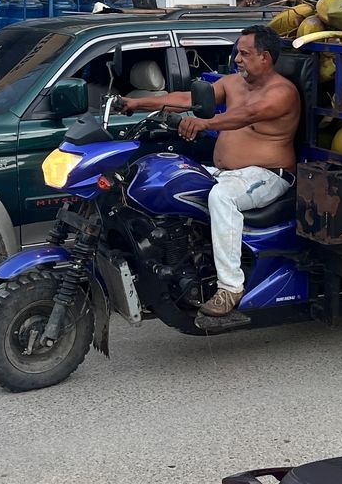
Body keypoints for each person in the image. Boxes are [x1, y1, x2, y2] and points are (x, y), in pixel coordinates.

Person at [119, 25, 300, 317]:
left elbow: (247, 115)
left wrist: (206, 123)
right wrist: (137, 103)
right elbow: (186, 99)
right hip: (227, 172)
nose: (237, 59)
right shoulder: (233, 83)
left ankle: (230, 287)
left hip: (267, 175)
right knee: (167, 179)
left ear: (265, 57)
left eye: (244, 53)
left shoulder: (282, 92)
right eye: (237, 53)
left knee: (221, 198)